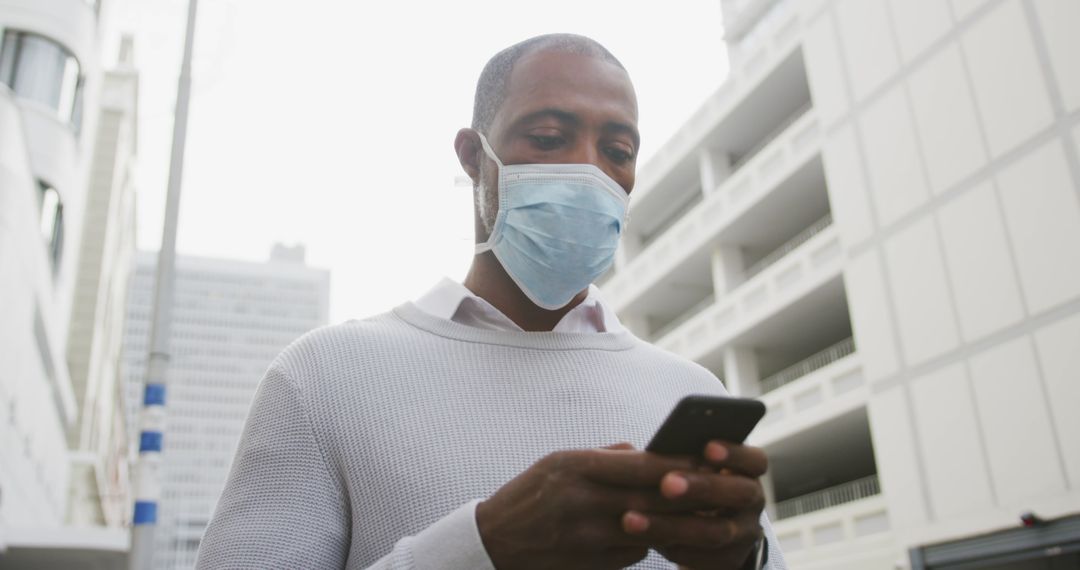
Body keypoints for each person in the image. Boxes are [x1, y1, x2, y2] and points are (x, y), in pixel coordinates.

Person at [196, 34, 786, 569]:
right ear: (475, 157)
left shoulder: (690, 390)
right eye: (550, 139)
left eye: (618, 151)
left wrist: (746, 560)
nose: (589, 170)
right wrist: (481, 547)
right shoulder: (322, 378)